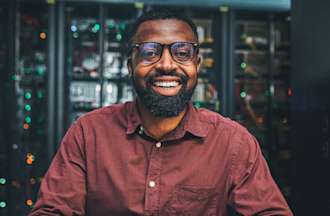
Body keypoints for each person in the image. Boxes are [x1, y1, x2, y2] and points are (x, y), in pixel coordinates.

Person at [29, 8, 293, 216]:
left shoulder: (233, 142)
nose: (167, 65)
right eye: (149, 52)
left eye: (182, 53)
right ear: (130, 66)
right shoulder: (89, 133)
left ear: (197, 64)